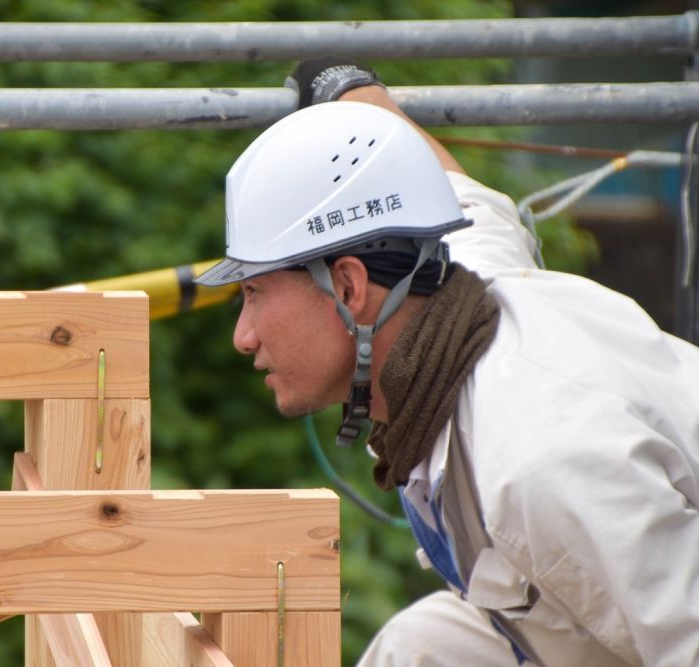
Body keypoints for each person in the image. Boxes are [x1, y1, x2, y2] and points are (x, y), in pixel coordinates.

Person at [195, 58, 699, 667]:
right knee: (420, 651)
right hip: (576, 626)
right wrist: (345, 89)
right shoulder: (446, 283)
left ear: (349, 289)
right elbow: (447, 187)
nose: (242, 338)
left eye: (253, 294)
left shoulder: (541, 462)